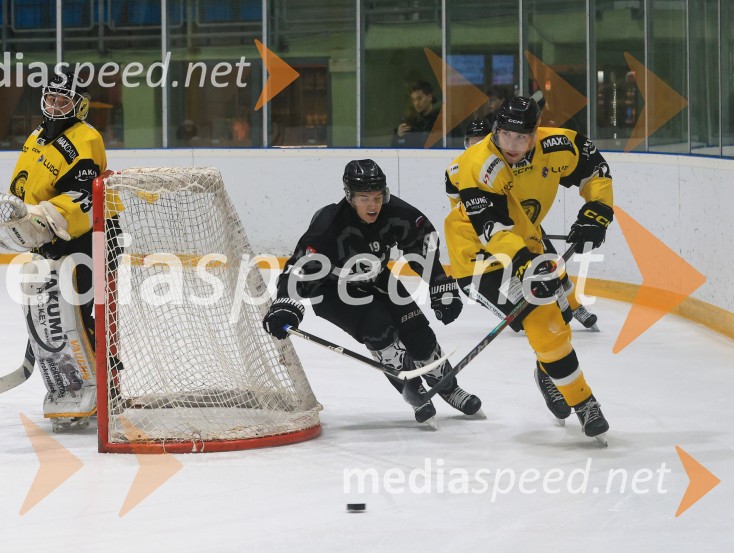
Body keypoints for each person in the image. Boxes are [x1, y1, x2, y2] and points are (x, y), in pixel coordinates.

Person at [262, 159, 481, 426]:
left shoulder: (394, 212)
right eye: (364, 198)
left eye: (377, 197)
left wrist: (438, 283)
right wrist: (286, 302)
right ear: (349, 196)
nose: (373, 205)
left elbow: (421, 241)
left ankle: (449, 387)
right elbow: (300, 266)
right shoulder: (329, 223)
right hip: (333, 291)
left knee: (418, 331)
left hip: (378, 279)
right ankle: (412, 389)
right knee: (380, 330)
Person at [443, 96, 613, 440]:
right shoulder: (477, 163)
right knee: (544, 322)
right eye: (506, 135)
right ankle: (584, 403)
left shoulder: (559, 145)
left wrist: (598, 210)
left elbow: (596, 171)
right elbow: (491, 229)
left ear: (536, 134)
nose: (513, 145)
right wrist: (524, 265)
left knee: (558, 316)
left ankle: (548, 372)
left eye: (522, 137)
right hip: (479, 259)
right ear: (496, 130)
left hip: (528, 243)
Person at [0, 70, 107, 432]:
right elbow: (23, 190)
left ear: (79, 106)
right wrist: (19, 219)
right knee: (53, 318)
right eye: (50, 99)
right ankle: (72, 386)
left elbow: (82, 198)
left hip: (87, 242)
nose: (54, 106)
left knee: (87, 318)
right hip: (52, 243)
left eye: (63, 101)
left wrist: (39, 218)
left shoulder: (86, 138)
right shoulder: (38, 135)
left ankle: (104, 386)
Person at [391, 81, 441, 148]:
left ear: (429, 97)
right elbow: (397, 149)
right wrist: (399, 136)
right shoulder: (410, 122)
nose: (416, 103)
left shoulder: (443, 120)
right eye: (413, 100)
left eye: (419, 99)